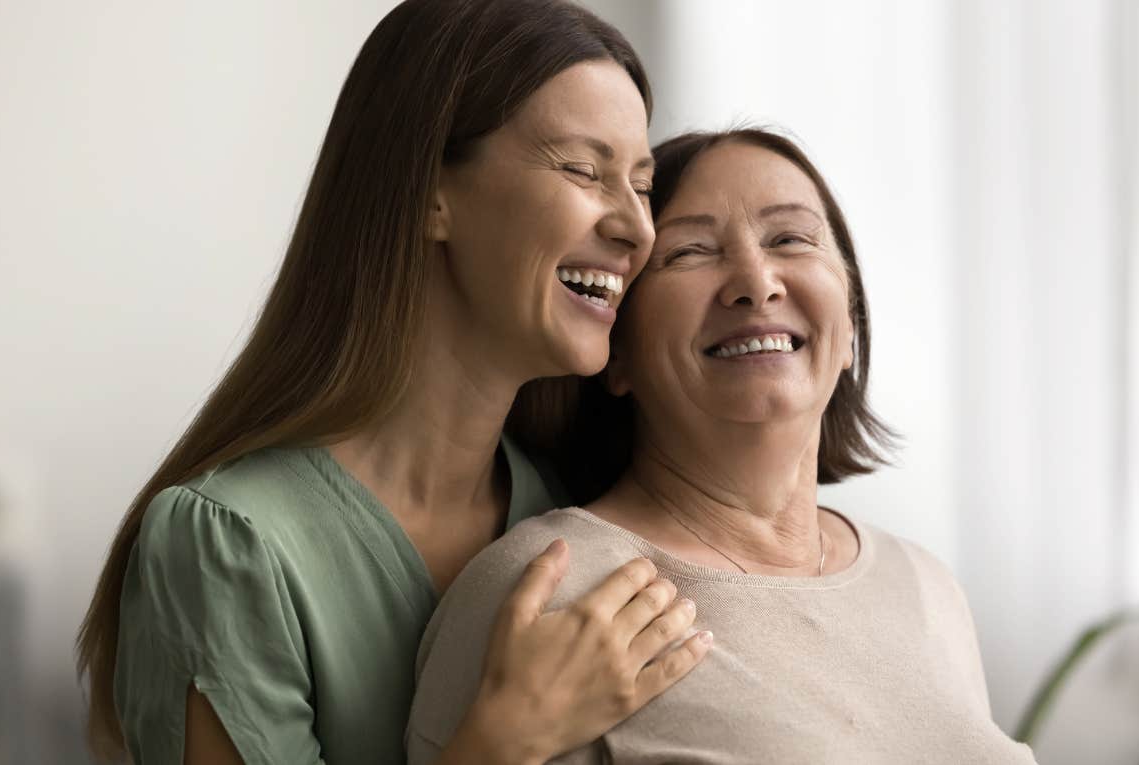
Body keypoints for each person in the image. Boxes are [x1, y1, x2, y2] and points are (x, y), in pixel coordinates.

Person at [75, 2, 713, 763]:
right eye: (583, 168)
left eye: (641, 185)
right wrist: (502, 740)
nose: (637, 227)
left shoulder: (572, 512)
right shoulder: (227, 548)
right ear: (431, 194)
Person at [406, 129, 1039, 763]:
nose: (755, 282)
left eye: (789, 238)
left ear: (850, 329)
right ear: (615, 350)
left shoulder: (926, 587)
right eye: (690, 252)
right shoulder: (551, 586)